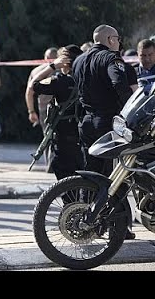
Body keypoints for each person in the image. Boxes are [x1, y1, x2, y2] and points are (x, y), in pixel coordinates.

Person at [72, 25, 135, 240]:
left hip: (86, 122)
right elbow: (119, 83)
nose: (119, 43)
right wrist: (130, 112)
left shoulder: (79, 60)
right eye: (117, 38)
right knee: (114, 175)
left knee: (90, 173)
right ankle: (115, 226)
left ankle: (82, 219)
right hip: (108, 122)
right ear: (110, 39)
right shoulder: (111, 58)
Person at [31, 45, 85, 180]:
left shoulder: (60, 81)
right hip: (83, 139)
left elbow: (34, 85)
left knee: (65, 180)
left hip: (64, 140)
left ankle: (70, 202)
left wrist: (52, 66)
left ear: (64, 62)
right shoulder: (87, 80)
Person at [25, 47, 58, 168]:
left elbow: (29, 92)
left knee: (48, 136)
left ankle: (51, 165)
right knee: (52, 136)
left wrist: (31, 111)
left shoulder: (37, 72)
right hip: (49, 108)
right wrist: (31, 111)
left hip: (47, 107)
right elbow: (29, 92)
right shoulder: (60, 70)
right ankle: (51, 165)